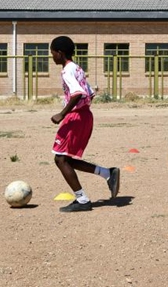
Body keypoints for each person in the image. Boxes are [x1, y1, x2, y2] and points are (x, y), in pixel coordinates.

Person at [50, 36, 120, 212]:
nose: (52, 57)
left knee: (60, 159)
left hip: (76, 117)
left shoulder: (67, 71)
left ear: (60, 52)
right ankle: (107, 173)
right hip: (85, 116)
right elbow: (90, 93)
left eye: (52, 53)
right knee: (65, 159)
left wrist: (63, 113)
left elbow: (78, 93)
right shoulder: (78, 68)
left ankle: (82, 200)